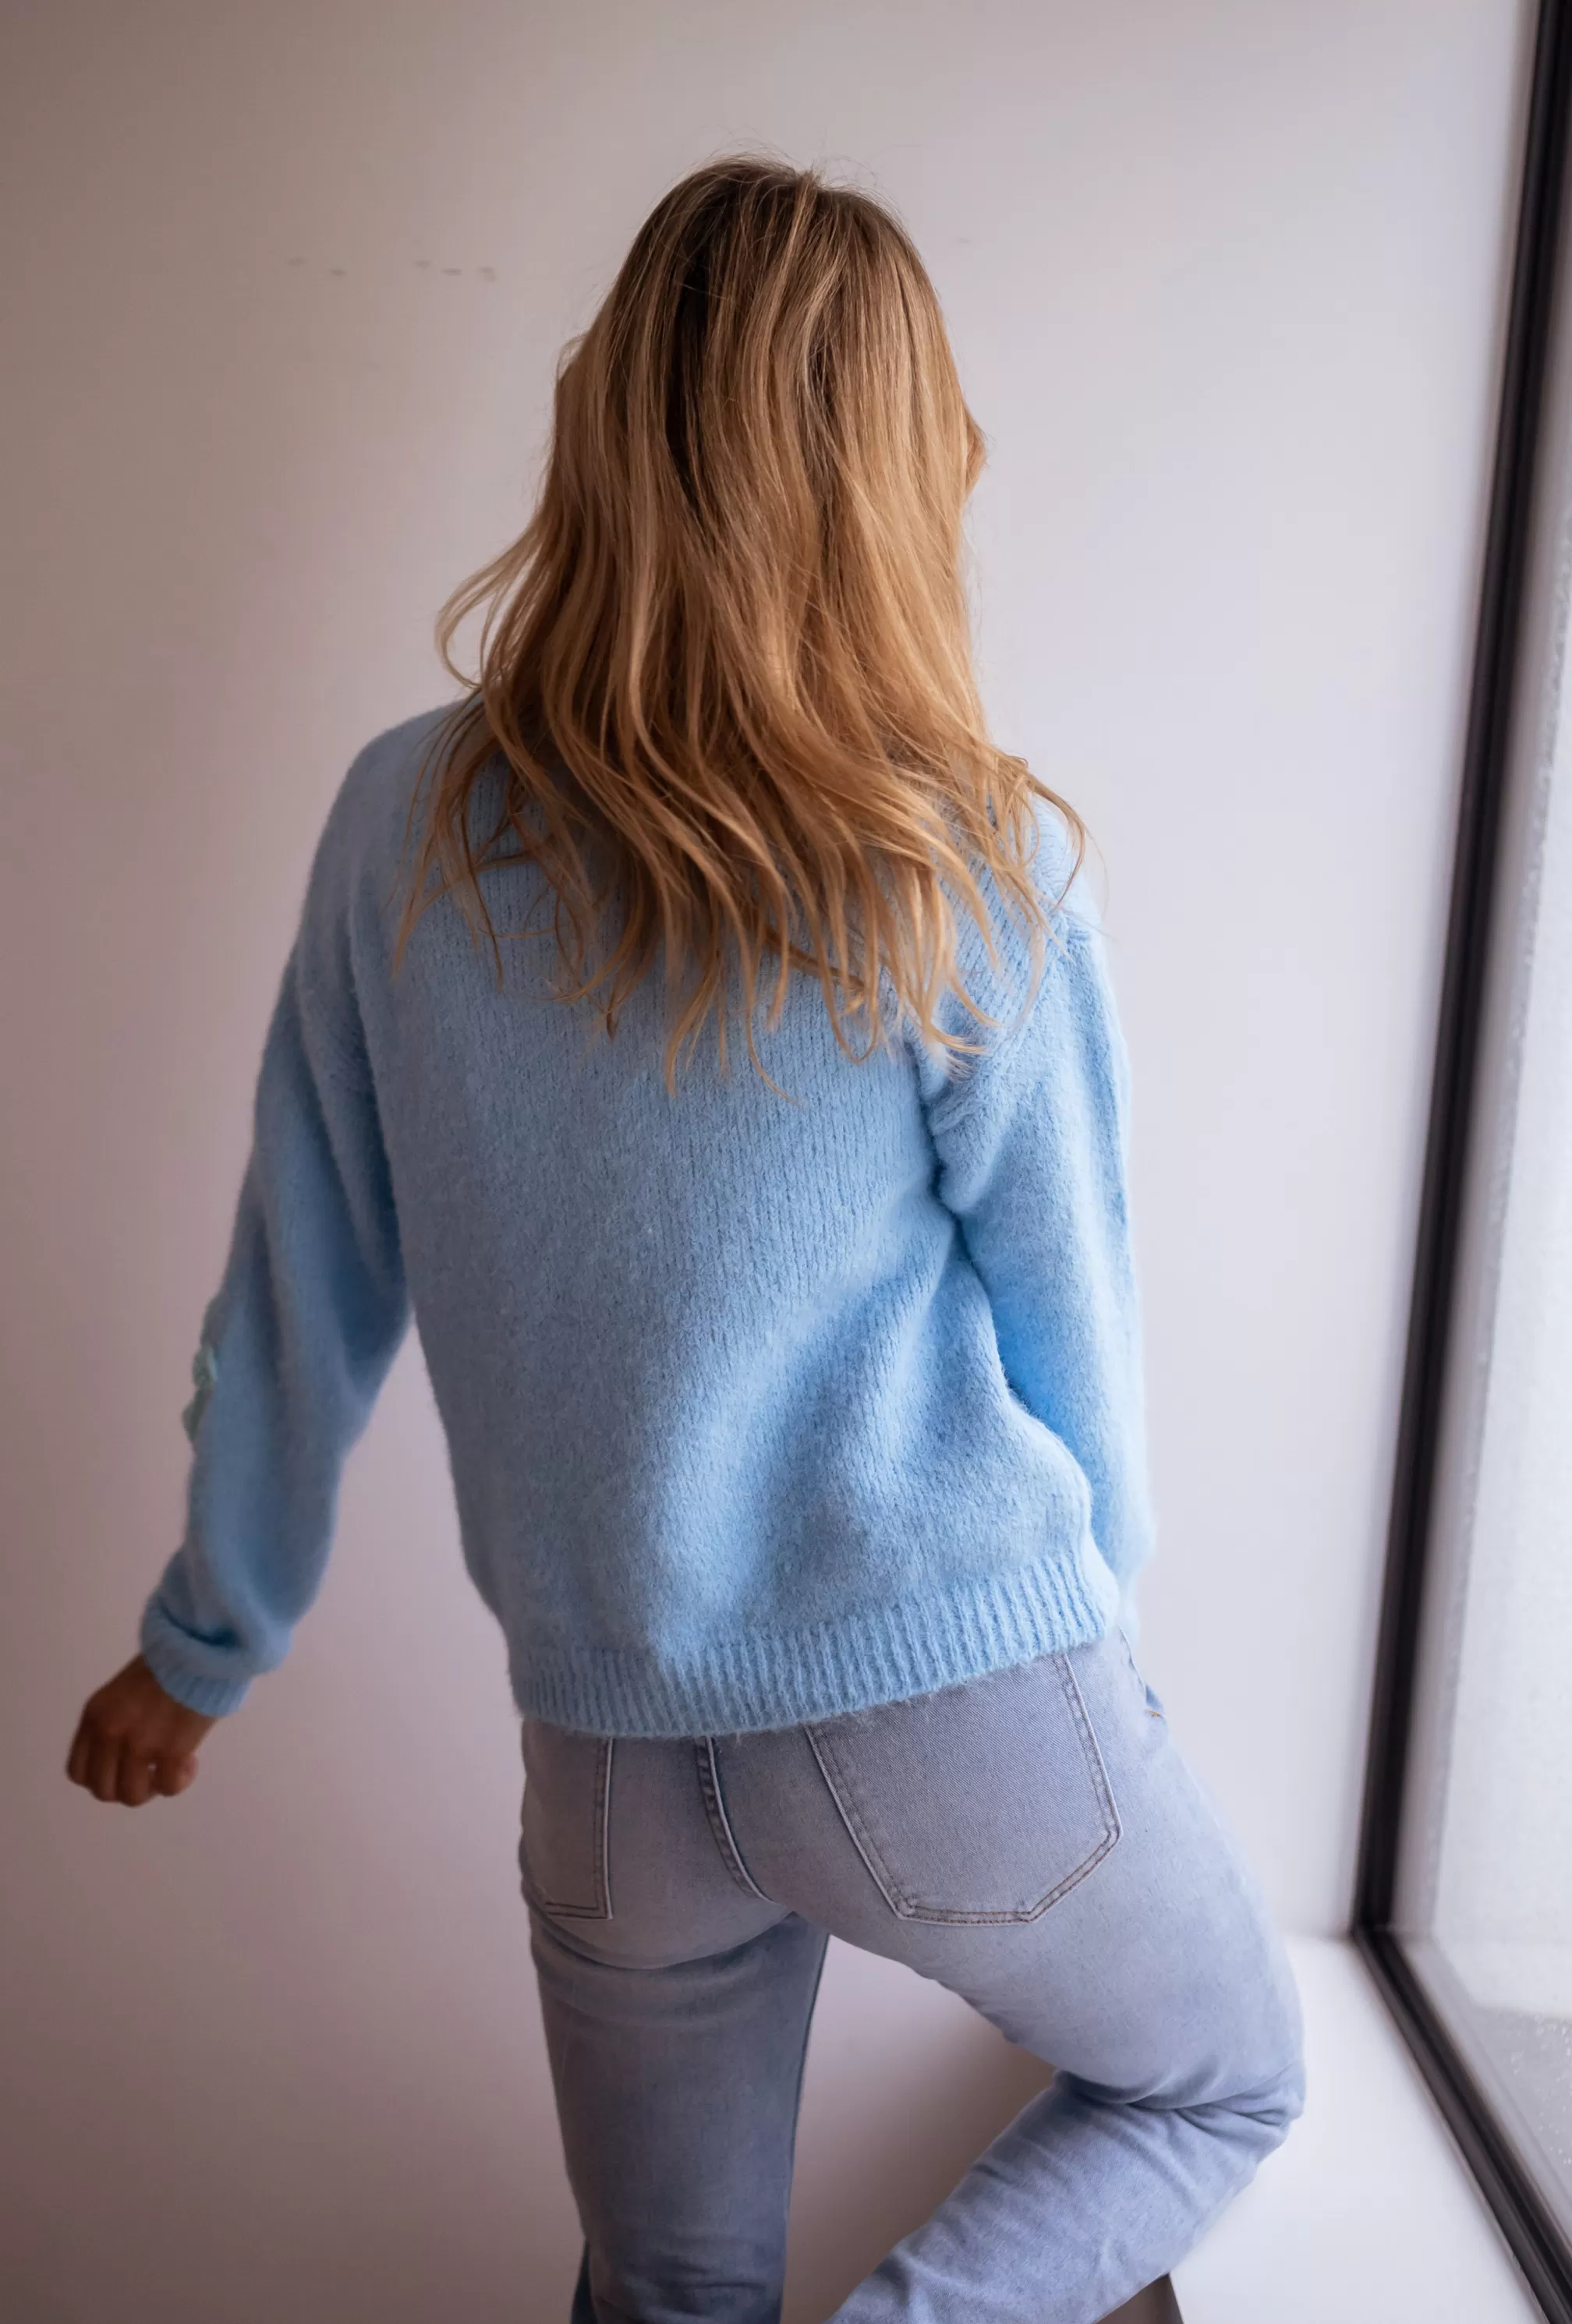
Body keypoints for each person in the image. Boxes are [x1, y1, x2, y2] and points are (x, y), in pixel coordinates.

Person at [65, 157, 1303, 2323]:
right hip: (958, 1705)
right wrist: (1103, 1649)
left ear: (607, 421)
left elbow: (301, 1273)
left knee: (662, 2295)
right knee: (1225, 2085)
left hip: (613, 1752)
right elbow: (1073, 1321)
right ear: (902, 472)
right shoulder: (966, 857)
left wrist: (204, 1644)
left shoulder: (404, 825)